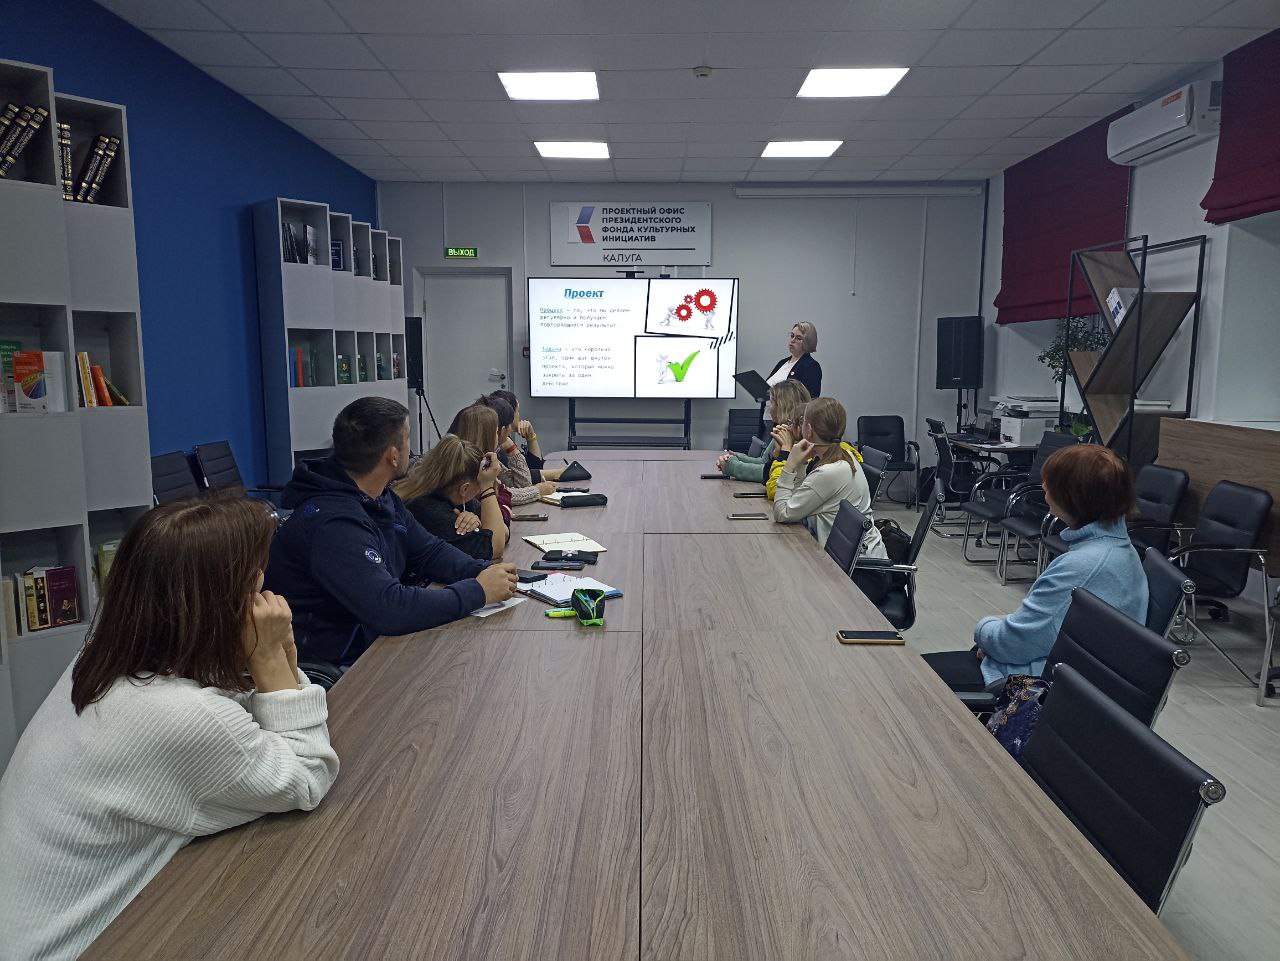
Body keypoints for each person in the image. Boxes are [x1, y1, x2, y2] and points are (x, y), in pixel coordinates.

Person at [0, 496, 340, 961]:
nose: (266, 598)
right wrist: (271, 656)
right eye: (256, 582)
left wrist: (274, 658)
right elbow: (308, 776)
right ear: (223, 604)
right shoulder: (181, 716)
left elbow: (234, 709)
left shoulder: (103, 660)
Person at [265, 397, 518, 667]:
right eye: (408, 439)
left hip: (374, 643)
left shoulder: (379, 496)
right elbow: (389, 607)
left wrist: (483, 571)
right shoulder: (332, 523)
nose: (412, 449)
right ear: (393, 455)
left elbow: (429, 551)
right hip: (336, 666)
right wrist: (478, 591)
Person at [923, 444, 1148, 693]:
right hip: (1079, 676)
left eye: (1050, 483)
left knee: (911, 675)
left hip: (1041, 686)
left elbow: (1012, 645)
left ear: (1072, 496)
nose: (1043, 487)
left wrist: (984, 626)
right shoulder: (1118, 550)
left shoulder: (1083, 566)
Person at [772, 397, 885, 558]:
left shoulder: (828, 472)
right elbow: (796, 500)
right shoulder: (844, 455)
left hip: (857, 565)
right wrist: (802, 463)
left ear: (808, 430)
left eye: (803, 421)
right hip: (856, 553)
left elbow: (781, 513)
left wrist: (789, 466)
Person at [396, 434, 509, 560]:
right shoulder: (428, 509)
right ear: (464, 489)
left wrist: (479, 524)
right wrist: (487, 487)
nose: (479, 491)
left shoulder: (453, 496)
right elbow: (495, 547)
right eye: (479, 486)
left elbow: (504, 532)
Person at [716, 380, 811, 489]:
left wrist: (732, 466)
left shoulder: (797, 438)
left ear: (782, 406)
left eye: (771, 403)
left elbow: (768, 472)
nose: (769, 407)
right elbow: (765, 461)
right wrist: (736, 457)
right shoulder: (783, 430)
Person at [476, 393, 556, 507]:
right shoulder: (480, 457)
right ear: (502, 429)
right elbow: (500, 495)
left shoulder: (491, 454)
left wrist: (512, 449)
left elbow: (521, 485)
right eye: (518, 411)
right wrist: (537, 491)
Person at [448, 403, 515, 527]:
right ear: (486, 438)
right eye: (496, 432)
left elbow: (503, 493)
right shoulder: (470, 476)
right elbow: (499, 528)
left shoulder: (486, 465)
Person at [488, 388, 564, 484]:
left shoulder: (506, 438)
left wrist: (531, 437)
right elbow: (519, 477)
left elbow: (533, 466)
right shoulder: (498, 445)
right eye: (518, 411)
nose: (519, 415)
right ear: (510, 413)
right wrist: (557, 473)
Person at [765, 322, 822, 397]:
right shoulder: (782, 362)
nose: (792, 340)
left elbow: (810, 398)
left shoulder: (811, 366)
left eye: (798, 338)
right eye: (792, 336)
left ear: (808, 342)